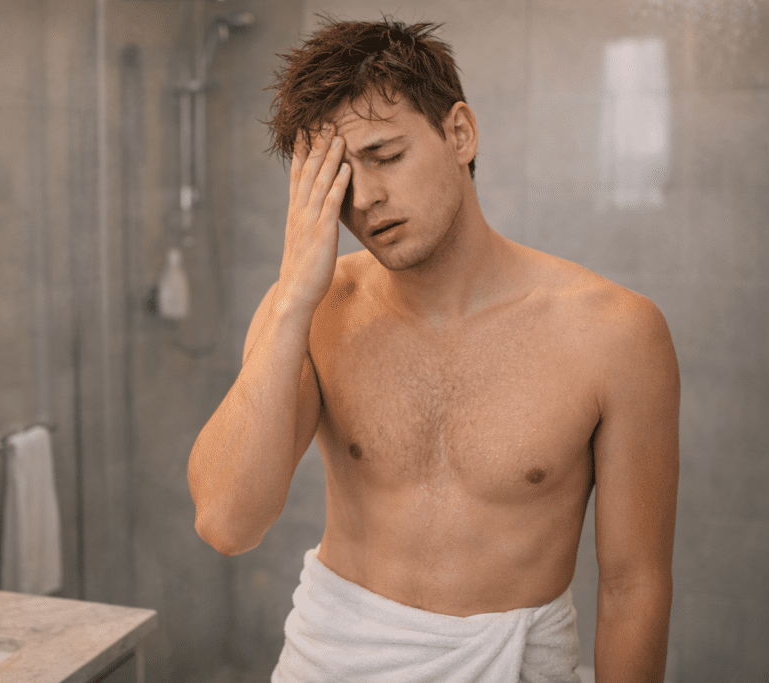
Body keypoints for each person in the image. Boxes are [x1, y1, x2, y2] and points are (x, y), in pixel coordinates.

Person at [188, 17, 678, 683]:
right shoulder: (312, 310)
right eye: (336, 177)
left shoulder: (615, 333)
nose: (364, 199)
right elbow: (226, 521)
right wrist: (293, 300)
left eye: (384, 156)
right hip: (331, 661)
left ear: (459, 133)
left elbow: (634, 588)